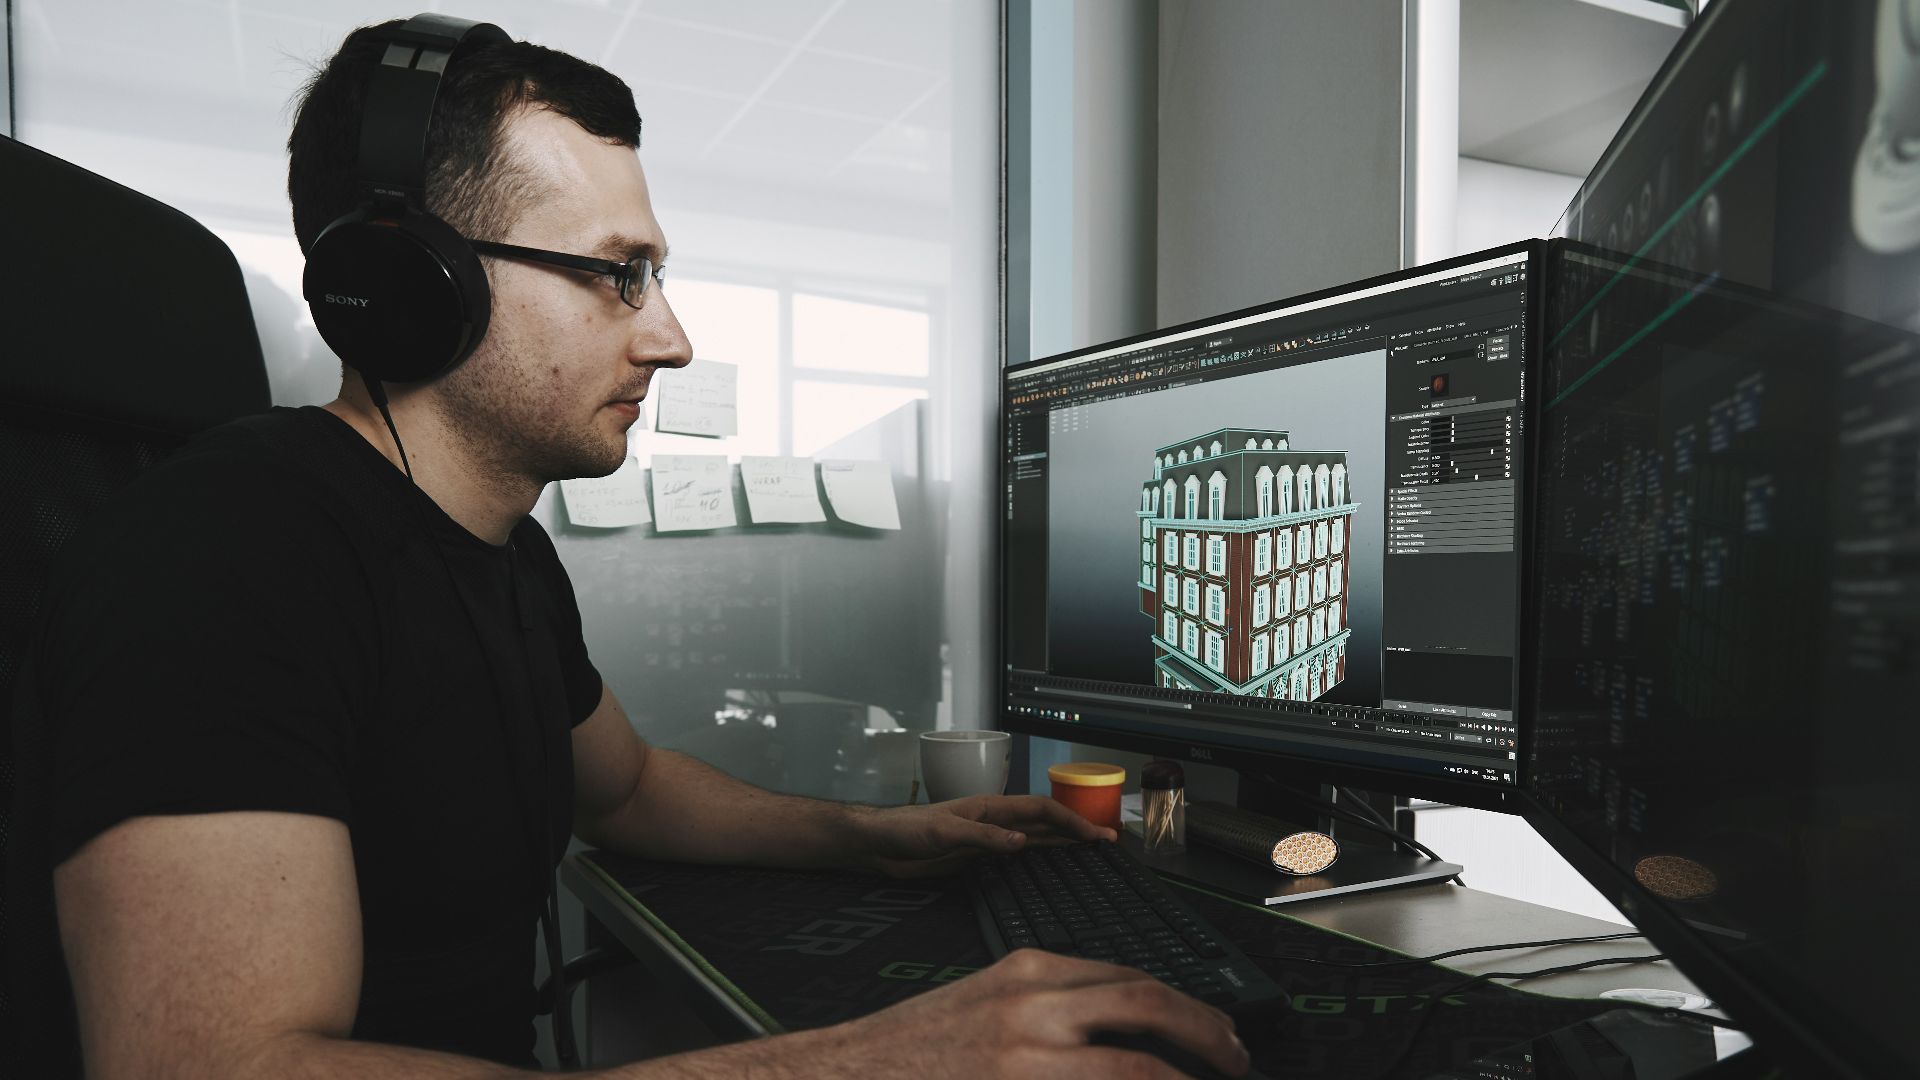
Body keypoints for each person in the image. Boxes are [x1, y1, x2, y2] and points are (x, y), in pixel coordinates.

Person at [26, 18, 1252, 1080]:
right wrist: (863, 1061)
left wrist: (878, 837)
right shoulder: (228, 552)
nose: (670, 337)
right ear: (413, 283)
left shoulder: (505, 554)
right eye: (620, 275)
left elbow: (628, 789)